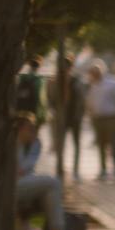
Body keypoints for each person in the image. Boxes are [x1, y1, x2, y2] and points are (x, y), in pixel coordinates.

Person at [15, 113, 86, 230]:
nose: (33, 132)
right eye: (28, 129)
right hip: (9, 187)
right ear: (19, 130)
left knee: (49, 190)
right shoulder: (12, 144)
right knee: (53, 183)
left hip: (20, 182)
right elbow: (17, 170)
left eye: (34, 129)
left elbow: (24, 169)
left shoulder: (34, 144)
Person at [46, 53, 85, 181]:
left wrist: (79, 115)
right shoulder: (55, 81)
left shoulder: (77, 80)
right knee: (61, 144)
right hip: (62, 116)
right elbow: (50, 98)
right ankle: (60, 167)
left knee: (76, 144)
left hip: (75, 117)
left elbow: (81, 99)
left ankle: (76, 170)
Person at [85, 61, 115, 181]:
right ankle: (103, 169)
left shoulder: (113, 83)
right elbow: (90, 102)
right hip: (98, 118)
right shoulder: (92, 85)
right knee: (101, 145)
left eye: (96, 72)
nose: (94, 75)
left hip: (110, 117)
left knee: (113, 144)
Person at [17, 55, 46, 127]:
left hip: (20, 110)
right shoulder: (39, 80)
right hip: (32, 112)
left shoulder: (22, 77)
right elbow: (41, 99)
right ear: (39, 67)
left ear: (29, 65)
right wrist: (43, 115)